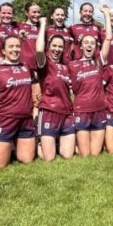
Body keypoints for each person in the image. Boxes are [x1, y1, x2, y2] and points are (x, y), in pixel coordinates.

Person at [68, 6, 112, 156]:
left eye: (92, 43)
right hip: (82, 110)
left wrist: (106, 14)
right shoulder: (72, 65)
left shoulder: (99, 60)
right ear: (80, 45)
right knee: (85, 154)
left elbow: (108, 38)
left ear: (96, 47)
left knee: (95, 154)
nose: (89, 45)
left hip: (99, 109)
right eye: (86, 43)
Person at [0, 35, 37, 167]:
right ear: (3, 50)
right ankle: (8, 146)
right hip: (5, 119)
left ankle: (14, 148)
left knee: (27, 160)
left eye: (17, 46)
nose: (15, 49)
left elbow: (35, 85)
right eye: (11, 46)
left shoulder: (26, 67)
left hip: (26, 119)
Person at [36, 16, 75, 160]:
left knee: (67, 155)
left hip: (66, 112)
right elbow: (39, 49)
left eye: (60, 46)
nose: (57, 49)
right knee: (49, 158)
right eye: (54, 46)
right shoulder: (44, 63)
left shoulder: (66, 66)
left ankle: (52, 141)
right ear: (49, 46)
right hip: (49, 111)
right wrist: (43, 24)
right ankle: (39, 142)